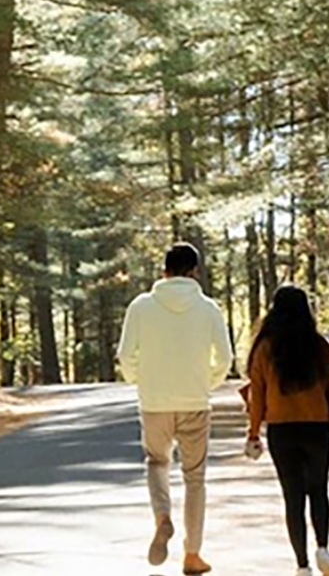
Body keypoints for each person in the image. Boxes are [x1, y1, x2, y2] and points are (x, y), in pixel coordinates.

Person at [117, 243, 234, 575]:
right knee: (195, 478)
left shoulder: (141, 307)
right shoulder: (209, 309)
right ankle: (192, 555)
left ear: (164, 270)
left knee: (157, 461)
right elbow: (224, 359)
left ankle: (162, 516)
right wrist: (205, 383)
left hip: (154, 402)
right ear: (194, 271)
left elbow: (126, 355)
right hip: (195, 401)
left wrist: (141, 380)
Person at [244, 284, 329, 576]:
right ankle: (323, 548)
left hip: (282, 431)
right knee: (318, 490)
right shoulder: (320, 345)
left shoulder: (264, 348)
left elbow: (257, 394)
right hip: (317, 427)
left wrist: (254, 432)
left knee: (292, 497)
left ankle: (302, 565)